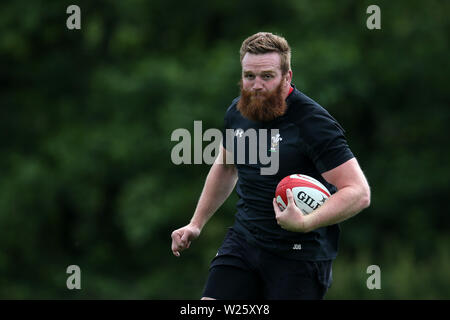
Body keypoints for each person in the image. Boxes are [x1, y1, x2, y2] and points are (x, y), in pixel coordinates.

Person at [170, 32, 371, 300]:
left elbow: (358, 191)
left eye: (267, 76)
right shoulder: (237, 112)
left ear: (287, 77)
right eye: (249, 76)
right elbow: (226, 166)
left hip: (299, 255)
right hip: (244, 242)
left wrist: (305, 222)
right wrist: (196, 223)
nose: (256, 85)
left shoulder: (313, 124)